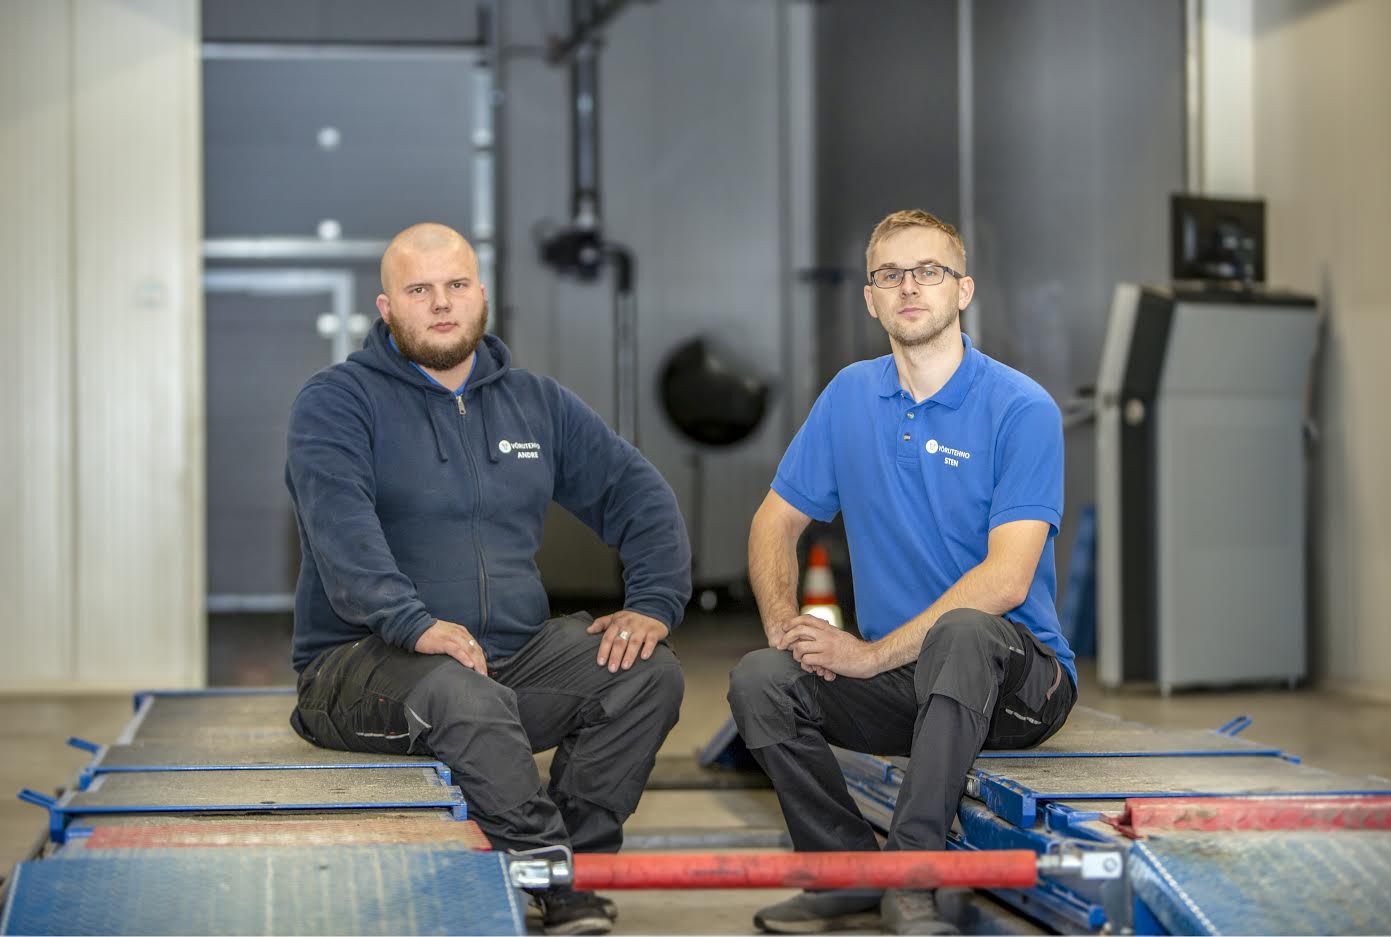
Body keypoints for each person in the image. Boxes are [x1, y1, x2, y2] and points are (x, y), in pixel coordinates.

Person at [285, 222, 690, 936]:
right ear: (385, 308)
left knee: (644, 673)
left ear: (482, 294)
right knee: (458, 690)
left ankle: (576, 864)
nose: (442, 303)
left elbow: (637, 491)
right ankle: (548, 875)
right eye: (419, 290)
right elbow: (342, 534)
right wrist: (415, 622)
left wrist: (654, 601)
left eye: (457, 285)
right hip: (358, 668)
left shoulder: (535, 402)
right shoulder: (338, 402)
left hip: (500, 662)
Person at [728, 210, 1076, 936]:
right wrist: (787, 629)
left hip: (1018, 680)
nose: (909, 286)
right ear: (871, 298)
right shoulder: (851, 395)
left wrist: (868, 654)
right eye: (891, 274)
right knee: (761, 680)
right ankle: (847, 870)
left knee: (963, 630)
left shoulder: (1020, 407)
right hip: (908, 683)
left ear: (963, 290)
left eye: (929, 272)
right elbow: (775, 520)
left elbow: (1007, 581)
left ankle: (912, 876)